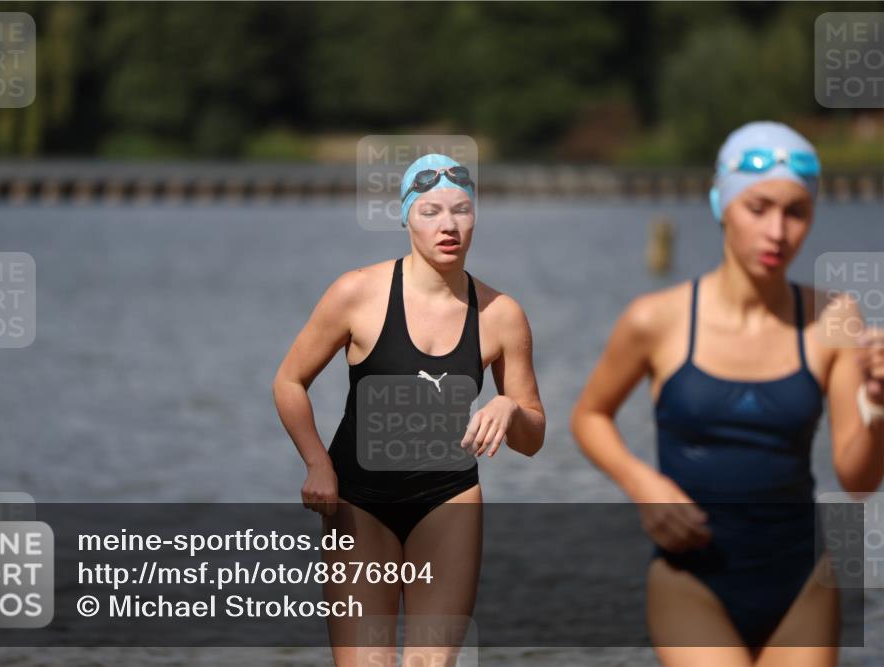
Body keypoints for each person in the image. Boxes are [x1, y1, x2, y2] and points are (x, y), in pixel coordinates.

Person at [570, 121, 884, 666]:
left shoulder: (834, 318)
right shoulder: (656, 320)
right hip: (691, 577)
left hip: (802, 581)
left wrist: (877, 407)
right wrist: (643, 485)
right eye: (757, 208)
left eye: (796, 212)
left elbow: (858, 481)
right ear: (721, 203)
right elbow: (590, 415)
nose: (777, 232)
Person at [273, 153, 546, 666]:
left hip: (449, 500)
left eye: (461, 210)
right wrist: (317, 464)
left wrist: (508, 406)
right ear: (406, 217)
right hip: (358, 502)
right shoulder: (356, 294)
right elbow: (289, 381)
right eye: (431, 211)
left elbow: (532, 439)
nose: (449, 225)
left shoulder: (501, 315)